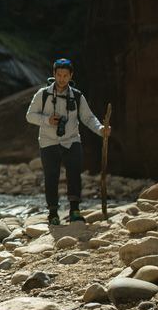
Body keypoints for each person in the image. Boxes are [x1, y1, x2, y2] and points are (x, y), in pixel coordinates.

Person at [25, 58, 112, 225]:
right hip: (48, 141)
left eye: (65, 75)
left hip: (72, 140)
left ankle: (74, 210)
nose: (62, 79)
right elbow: (29, 116)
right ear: (54, 74)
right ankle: (53, 214)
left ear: (71, 75)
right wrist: (47, 120)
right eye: (59, 75)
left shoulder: (78, 96)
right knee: (51, 177)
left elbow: (88, 118)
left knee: (74, 174)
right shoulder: (43, 94)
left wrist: (101, 130)